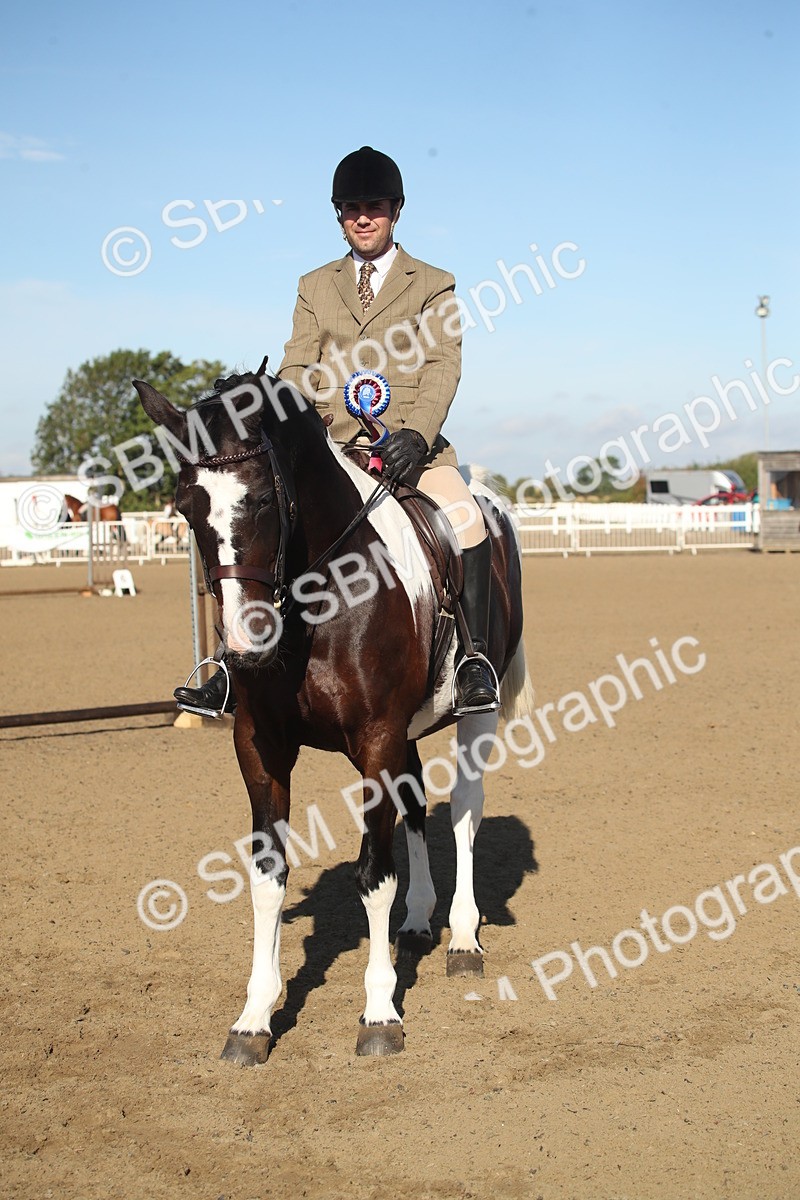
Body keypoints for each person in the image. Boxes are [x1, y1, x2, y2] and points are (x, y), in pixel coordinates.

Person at [175, 146, 499, 717]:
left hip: (410, 450)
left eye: (373, 206)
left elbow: (443, 365)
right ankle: (230, 666)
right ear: (338, 215)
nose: (363, 217)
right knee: (252, 523)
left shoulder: (434, 283)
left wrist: (418, 434)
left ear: (395, 210)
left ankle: (473, 660)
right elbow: (297, 365)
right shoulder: (314, 285)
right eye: (351, 208)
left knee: (467, 523)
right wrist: (291, 425)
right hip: (331, 448)